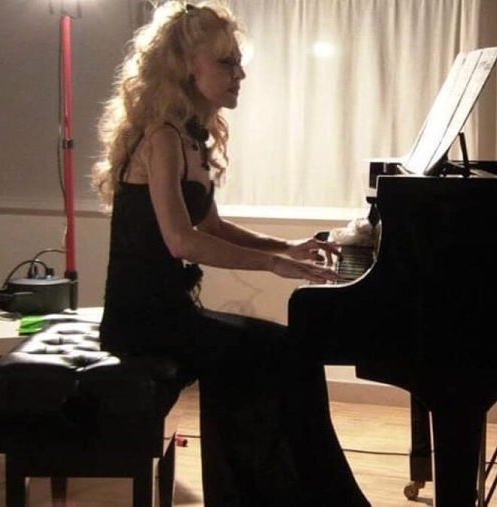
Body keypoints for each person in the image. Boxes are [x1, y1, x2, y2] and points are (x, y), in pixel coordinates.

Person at [90, 1, 370, 506]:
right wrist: (272, 264)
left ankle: (285, 494)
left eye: (239, 63)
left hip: (172, 312)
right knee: (279, 354)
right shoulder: (162, 137)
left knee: (291, 351)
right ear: (186, 66)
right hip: (142, 322)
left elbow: (212, 226)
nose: (240, 74)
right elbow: (182, 240)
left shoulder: (190, 138)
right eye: (226, 62)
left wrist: (285, 246)